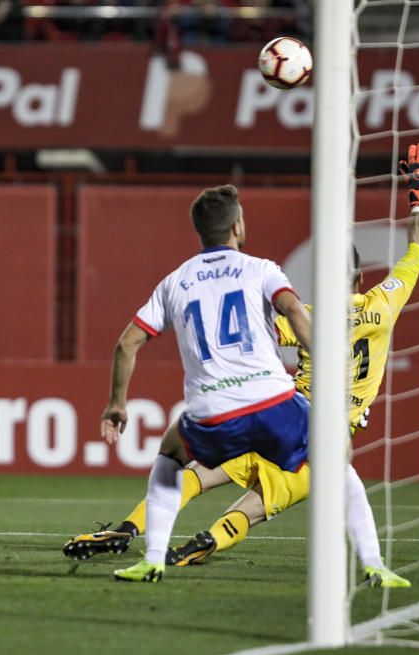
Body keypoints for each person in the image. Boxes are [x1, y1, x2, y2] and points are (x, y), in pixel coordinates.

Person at [65, 143, 419, 589]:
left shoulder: (187, 284)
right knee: (305, 485)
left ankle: (139, 537)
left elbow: (260, 329)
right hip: (295, 419)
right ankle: (368, 562)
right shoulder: (382, 304)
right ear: (360, 278)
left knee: (188, 468)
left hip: (239, 407)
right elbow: (417, 251)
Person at [96, 184, 313, 583]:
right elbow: (294, 310)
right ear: (237, 225)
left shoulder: (175, 281)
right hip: (271, 399)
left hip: (212, 411)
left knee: (170, 458)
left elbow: (127, 342)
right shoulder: (261, 268)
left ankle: (153, 558)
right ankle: (371, 560)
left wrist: (117, 403)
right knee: (335, 455)